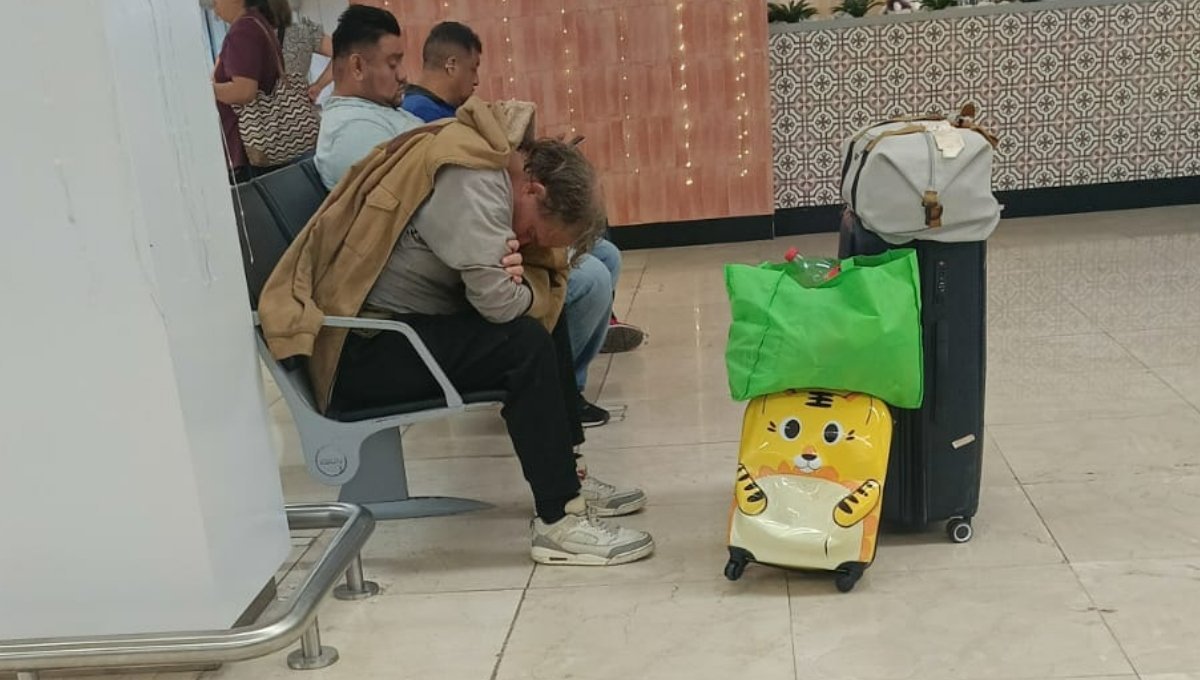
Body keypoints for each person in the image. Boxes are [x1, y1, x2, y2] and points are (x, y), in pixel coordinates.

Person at [269, 6, 651, 565]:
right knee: (524, 337)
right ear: (536, 190)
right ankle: (558, 521)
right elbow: (499, 306)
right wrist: (523, 289)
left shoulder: (492, 162)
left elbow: (505, 292)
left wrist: (526, 287)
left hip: (393, 334)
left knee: (540, 320)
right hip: (364, 354)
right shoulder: (475, 184)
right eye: (539, 233)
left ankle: (567, 475)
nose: (531, 241)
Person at [403, 21, 646, 427]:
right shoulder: (429, 127)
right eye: (473, 68)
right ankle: (555, 392)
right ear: (450, 64)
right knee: (576, 280)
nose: (478, 80)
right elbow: (496, 301)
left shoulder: (458, 123)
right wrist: (537, 290)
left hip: (461, 271)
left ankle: (563, 390)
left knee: (598, 252)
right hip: (431, 309)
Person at [312, 5, 424, 190]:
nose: (403, 75)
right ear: (357, 67)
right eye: (392, 64)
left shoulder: (376, 111)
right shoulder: (353, 132)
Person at [211, 0, 283, 182]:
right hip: (266, 142)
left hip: (249, 147)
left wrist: (206, 90)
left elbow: (244, 91)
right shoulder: (257, 24)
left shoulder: (243, 31)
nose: (214, 9)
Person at [266, 0, 334, 101]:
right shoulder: (303, 32)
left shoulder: (245, 39)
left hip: (258, 113)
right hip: (301, 109)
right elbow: (344, 54)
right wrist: (319, 85)